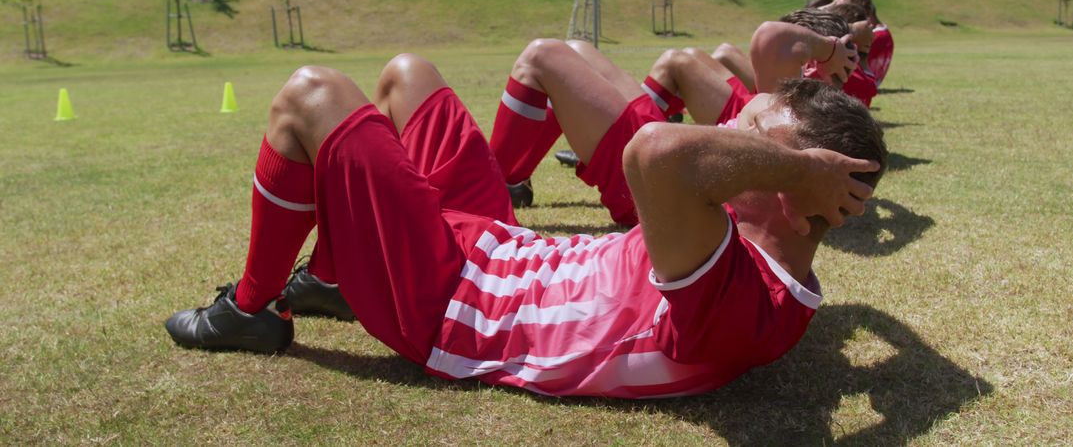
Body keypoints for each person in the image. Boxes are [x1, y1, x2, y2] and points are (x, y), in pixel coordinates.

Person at [166, 50, 886, 399]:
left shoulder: (749, 306)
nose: (728, 128)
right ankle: (332, 279)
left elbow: (656, 153)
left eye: (751, 134)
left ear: (800, 191)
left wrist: (799, 168)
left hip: (449, 303)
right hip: (496, 247)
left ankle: (249, 310)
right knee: (406, 74)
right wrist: (790, 162)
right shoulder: (738, 244)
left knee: (309, 94)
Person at [494, 10, 859, 224]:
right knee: (576, 50)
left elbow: (770, 37)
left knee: (540, 57)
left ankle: (490, 190)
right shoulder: (805, 103)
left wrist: (828, 50)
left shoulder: (805, 108)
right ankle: (513, 180)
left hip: (663, 187)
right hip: (675, 158)